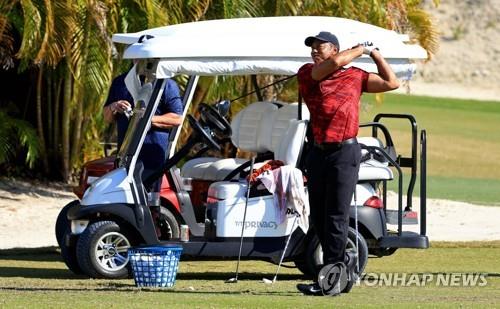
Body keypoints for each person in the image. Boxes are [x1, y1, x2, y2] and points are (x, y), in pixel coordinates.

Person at [296, 31, 399, 296]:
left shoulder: (355, 76)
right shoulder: (308, 72)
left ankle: (334, 279)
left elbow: (391, 82)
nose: (314, 52)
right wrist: (360, 49)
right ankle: (341, 270)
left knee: (336, 217)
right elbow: (328, 68)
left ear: (334, 49)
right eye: (313, 48)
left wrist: (375, 53)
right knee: (318, 217)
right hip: (318, 153)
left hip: (345, 152)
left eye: (320, 48)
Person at [103, 69, 184, 194]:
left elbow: (177, 118)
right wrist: (113, 106)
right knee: (121, 198)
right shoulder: (121, 82)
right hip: (125, 157)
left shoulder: (166, 84)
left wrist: (145, 119)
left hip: (152, 159)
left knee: (149, 202)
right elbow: (107, 117)